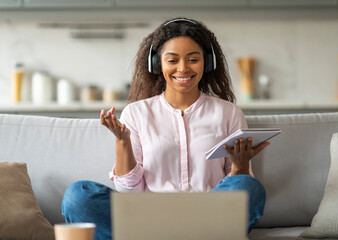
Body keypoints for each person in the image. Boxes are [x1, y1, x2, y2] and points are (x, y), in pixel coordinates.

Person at [61, 17, 269, 240]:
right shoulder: (136, 113)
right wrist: (123, 142)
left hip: (209, 211)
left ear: (207, 63)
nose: (182, 68)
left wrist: (240, 164)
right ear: (157, 64)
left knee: (250, 186)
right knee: (77, 196)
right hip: (150, 214)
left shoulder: (228, 113)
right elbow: (129, 192)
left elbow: (237, 191)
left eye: (193, 59)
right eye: (172, 60)